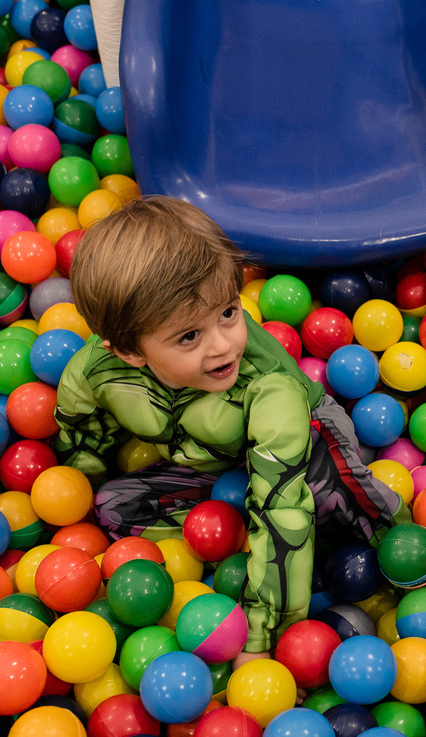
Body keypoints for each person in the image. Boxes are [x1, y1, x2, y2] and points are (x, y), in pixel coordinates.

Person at [54, 196, 407, 653]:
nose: (223, 346)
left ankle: (402, 551)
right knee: (113, 507)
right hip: (216, 466)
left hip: (302, 442)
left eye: (227, 312)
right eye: (189, 336)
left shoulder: (269, 388)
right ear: (129, 350)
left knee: (334, 493)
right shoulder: (100, 372)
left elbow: (284, 506)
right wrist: (77, 480)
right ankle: (241, 537)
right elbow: (80, 425)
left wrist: (260, 640)